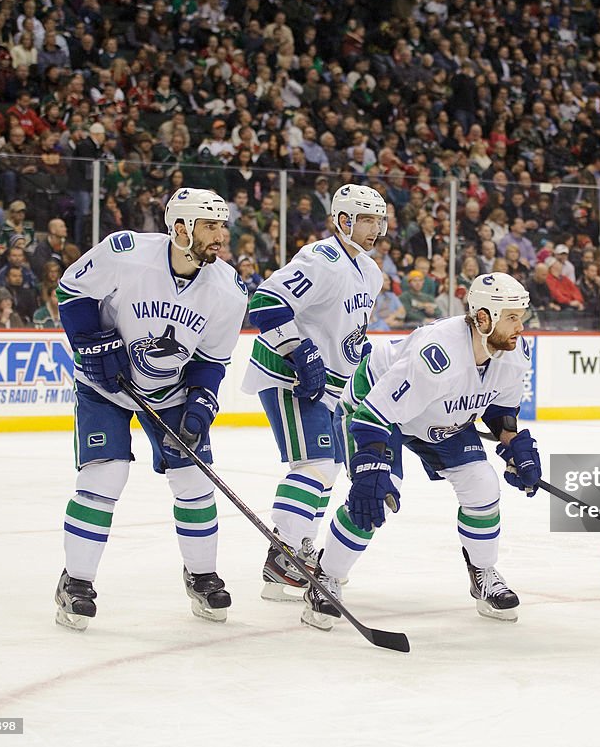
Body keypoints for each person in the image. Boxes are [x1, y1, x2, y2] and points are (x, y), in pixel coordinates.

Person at [53, 187, 247, 631]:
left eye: (223, 225)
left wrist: (200, 402)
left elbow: (211, 362)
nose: (221, 235)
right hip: (105, 385)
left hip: (170, 392)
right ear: (180, 227)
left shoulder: (228, 289)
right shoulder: (127, 252)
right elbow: (72, 290)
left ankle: (201, 576)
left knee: (194, 480)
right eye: (210, 226)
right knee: (105, 475)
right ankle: (75, 582)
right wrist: (91, 342)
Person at [301, 273, 542, 629]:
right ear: (484, 318)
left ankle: (483, 573)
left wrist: (515, 446)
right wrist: (371, 469)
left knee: (482, 485)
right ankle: (325, 578)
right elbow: (375, 414)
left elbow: (499, 411)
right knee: (376, 495)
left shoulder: (514, 352)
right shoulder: (438, 354)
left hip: (439, 415)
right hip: (376, 409)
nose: (521, 326)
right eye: (512, 317)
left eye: (521, 315)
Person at [242, 183, 386, 601]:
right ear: (343, 221)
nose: (375, 228)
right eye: (366, 219)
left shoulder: (370, 272)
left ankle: (297, 551)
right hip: (290, 376)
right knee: (316, 464)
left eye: (379, 220)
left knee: (329, 468)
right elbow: (267, 302)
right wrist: (300, 352)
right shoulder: (322, 259)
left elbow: (347, 331)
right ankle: (283, 555)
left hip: (330, 385)